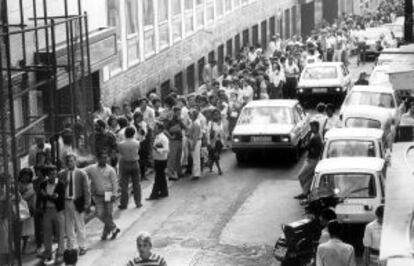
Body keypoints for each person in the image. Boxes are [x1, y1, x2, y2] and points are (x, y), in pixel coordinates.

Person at [84, 151, 120, 241]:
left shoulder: (110, 170)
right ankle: (114, 228)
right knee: (99, 214)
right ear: (98, 159)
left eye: (105, 158)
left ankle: (105, 234)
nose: (104, 160)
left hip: (108, 193)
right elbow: (82, 171)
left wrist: (114, 194)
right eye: (102, 158)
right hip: (98, 194)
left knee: (108, 214)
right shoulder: (92, 168)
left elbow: (114, 183)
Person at [59, 154, 91, 255]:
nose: (70, 163)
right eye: (68, 161)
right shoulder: (62, 174)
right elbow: (60, 189)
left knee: (79, 224)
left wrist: (87, 203)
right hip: (66, 201)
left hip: (77, 201)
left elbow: (86, 189)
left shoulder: (81, 173)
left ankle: (82, 246)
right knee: (68, 226)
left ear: (75, 161)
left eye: (72, 161)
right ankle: (71, 246)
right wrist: (64, 184)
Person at [38, 165, 65, 264]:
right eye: (50, 174)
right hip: (47, 211)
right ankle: (48, 252)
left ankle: (60, 252)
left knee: (60, 232)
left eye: (54, 174)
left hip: (57, 211)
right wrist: (52, 197)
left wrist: (47, 196)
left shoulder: (60, 184)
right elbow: (42, 197)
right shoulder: (43, 184)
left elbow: (60, 199)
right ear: (47, 175)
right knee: (47, 232)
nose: (53, 176)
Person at [295, 120, 323, 200]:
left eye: (312, 127)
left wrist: (306, 139)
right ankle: (306, 192)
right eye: (310, 127)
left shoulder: (315, 137)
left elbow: (305, 146)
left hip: (312, 160)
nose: (311, 128)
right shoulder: (315, 135)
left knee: (301, 176)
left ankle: (305, 192)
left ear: (317, 127)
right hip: (312, 159)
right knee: (308, 177)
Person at [118, 126, 142, 209]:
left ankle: (124, 204)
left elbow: (121, 153)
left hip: (125, 163)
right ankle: (138, 202)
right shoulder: (137, 143)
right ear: (133, 133)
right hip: (135, 163)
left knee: (124, 185)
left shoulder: (121, 144)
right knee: (137, 184)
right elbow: (138, 150)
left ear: (125, 134)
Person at [148, 122, 169, 200]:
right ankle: (164, 191)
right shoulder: (157, 137)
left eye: (156, 128)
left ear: (160, 129)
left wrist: (157, 149)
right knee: (161, 176)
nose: (154, 129)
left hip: (161, 159)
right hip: (158, 159)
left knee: (158, 177)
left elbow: (166, 149)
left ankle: (154, 194)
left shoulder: (163, 138)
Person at [165, 106, 187, 180]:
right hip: (174, 141)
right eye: (178, 112)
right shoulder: (170, 120)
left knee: (178, 157)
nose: (179, 113)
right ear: (174, 112)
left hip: (179, 139)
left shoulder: (178, 119)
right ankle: (170, 174)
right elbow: (165, 130)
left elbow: (184, 127)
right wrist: (170, 137)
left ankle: (179, 172)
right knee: (172, 158)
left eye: (180, 112)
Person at [18, 168, 36, 254]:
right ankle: (18, 248)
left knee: (26, 231)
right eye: (24, 176)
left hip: (28, 210)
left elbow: (28, 196)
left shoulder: (31, 185)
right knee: (18, 230)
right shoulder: (17, 184)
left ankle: (24, 248)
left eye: (28, 176)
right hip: (17, 211)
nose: (25, 178)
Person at [207, 109, 225, 175]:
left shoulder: (221, 122)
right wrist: (208, 144)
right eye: (215, 114)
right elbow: (208, 134)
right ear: (212, 115)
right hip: (212, 143)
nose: (216, 116)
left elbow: (222, 132)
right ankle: (219, 170)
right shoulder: (210, 123)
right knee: (216, 156)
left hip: (219, 142)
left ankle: (210, 166)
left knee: (214, 157)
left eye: (217, 114)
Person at [188, 109, 202, 180]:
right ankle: (195, 173)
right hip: (193, 141)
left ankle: (196, 174)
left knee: (196, 158)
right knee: (194, 157)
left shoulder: (196, 123)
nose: (189, 115)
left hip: (195, 141)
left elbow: (196, 136)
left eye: (190, 114)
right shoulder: (193, 122)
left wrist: (193, 145)